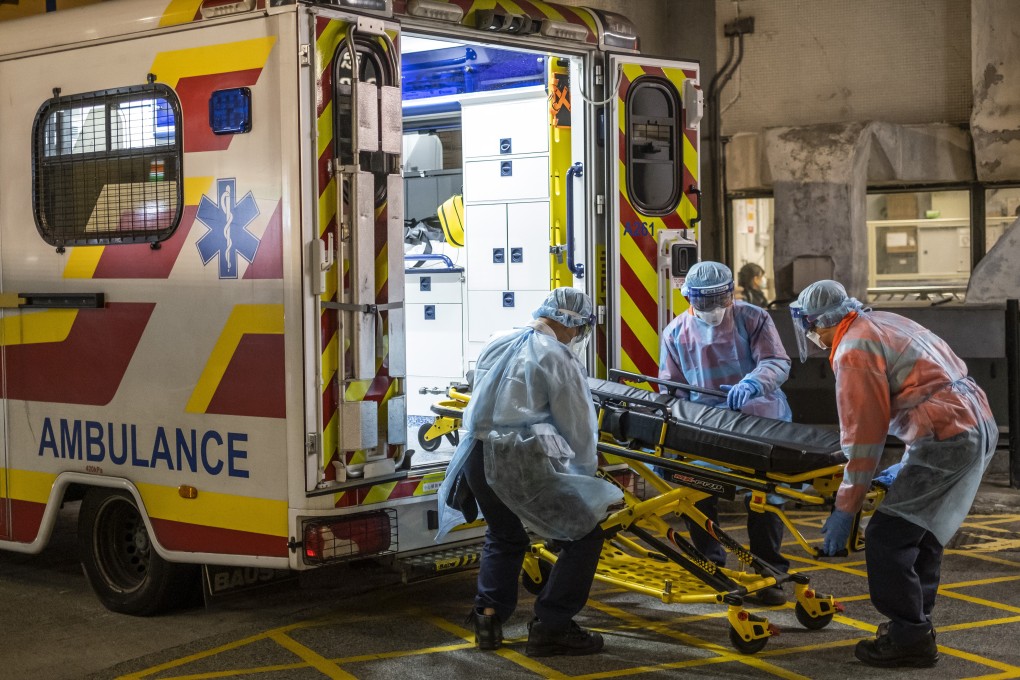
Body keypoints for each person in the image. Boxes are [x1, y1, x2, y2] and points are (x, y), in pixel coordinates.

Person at [792, 280, 997, 669]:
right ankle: (916, 626)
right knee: (922, 530)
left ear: (822, 322)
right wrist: (904, 465)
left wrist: (846, 508)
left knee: (887, 537)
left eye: (810, 326)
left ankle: (910, 638)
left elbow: (863, 435)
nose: (810, 335)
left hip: (947, 437)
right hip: (972, 424)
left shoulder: (853, 349)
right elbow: (924, 389)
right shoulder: (882, 322)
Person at [436, 288, 623, 657]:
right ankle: (552, 626)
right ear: (571, 323)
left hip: (477, 455)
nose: (579, 337)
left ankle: (488, 619)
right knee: (583, 536)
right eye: (581, 328)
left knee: (504, 535)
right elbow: (578, 425)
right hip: (520, 462)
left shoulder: (498, 340)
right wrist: (585, 473)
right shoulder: (557, 357)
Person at [658, 261, 793, 605]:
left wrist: (752, 383)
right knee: (697, 493)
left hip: (758, 417)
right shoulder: (675, 333)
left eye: (721, 300)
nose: (714, 310)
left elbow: (776, 362)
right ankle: (711, 568)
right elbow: (672, 390)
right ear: (688, 297)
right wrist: (667, 439)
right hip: (706, 423)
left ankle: (768, 573)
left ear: (731, 293)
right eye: (704, 302)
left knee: (763, 497)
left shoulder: (753, 318)